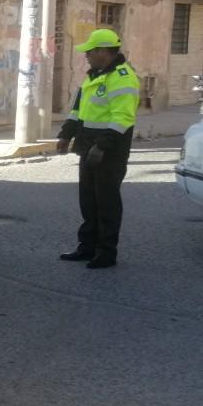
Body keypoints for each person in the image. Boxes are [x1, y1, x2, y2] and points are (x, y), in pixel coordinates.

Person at [56, 28, 140, 269]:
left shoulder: (123, 77)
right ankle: (87, 247)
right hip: (87, 147)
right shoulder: (93, 76)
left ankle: (106, 252)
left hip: (109, 151)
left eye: (90, 51)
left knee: (106, 202)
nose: (86, 55)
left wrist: (102, 147)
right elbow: (78, 110)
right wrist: (66, 135)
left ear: (103, 51)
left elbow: (123, 117)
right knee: (88, 200)